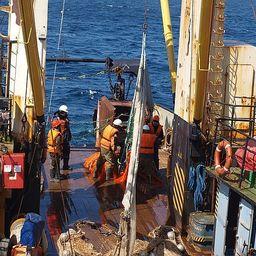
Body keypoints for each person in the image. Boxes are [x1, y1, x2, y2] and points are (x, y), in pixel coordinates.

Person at [53, 105, 72, 172]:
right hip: (59, 140)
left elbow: (67, 130)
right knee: (58, 155)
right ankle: (56, 171)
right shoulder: (56, 120)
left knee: (67, 153)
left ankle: (65, 166)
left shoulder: (65, 119)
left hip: (65, 139)